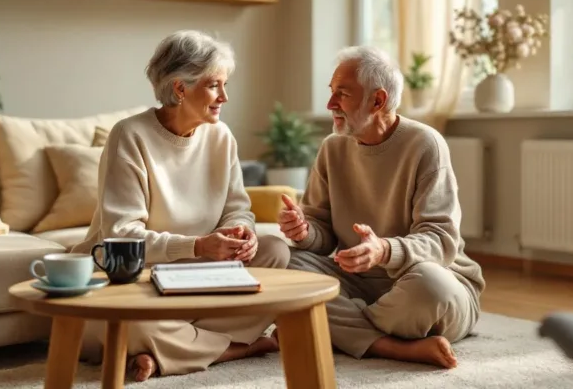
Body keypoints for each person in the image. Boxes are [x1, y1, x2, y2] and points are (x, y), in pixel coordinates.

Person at [71, 30, 290, 382]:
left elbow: (237, 207)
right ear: (180, 88)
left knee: (276, 252)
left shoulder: (221, 137)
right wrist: (198, 245)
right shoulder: (129, 135)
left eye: (225, 84)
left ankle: (172, 350)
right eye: (215, 85)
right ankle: (242, 347)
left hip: (202, 273)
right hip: (133, 279)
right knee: (129, 324)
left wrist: (241, 232)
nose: (225, 96)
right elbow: (121, 235)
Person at [277, 45, 486, 369]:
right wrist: (304, 231)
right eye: (331, 93)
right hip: (360, 283)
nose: (330, 104)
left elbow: (441, 241)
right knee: (280, 263)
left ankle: (338, 329)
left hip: (431, 283)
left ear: (378, 100)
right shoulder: (332, 148)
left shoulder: (425, 144)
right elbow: (323, 236)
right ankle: (393, 346)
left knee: (430, 287)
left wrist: (384, 251)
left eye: (342, 94)